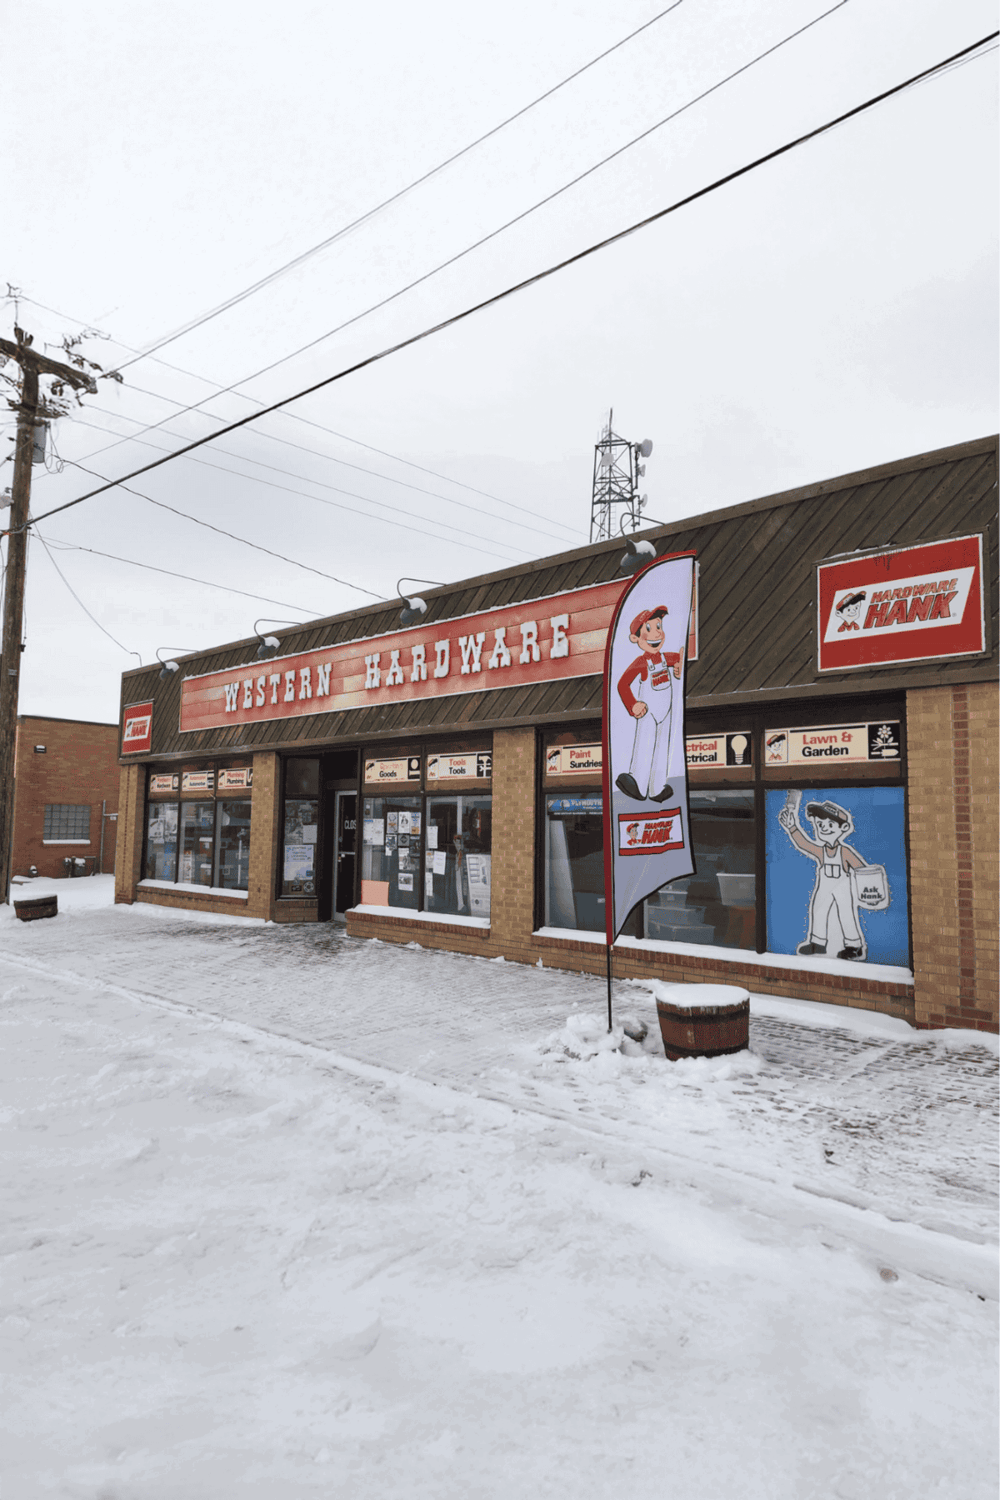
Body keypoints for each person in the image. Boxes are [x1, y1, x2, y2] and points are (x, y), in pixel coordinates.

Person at [778, 797, 867, 959]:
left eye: (830, 824)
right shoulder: (821, 851)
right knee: (818, 910)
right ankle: (818, 943)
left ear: (844, 827)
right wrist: (792, 828)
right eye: (820, 825)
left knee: (846, 914)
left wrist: (869, 885)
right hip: (824, 886)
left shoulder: (844, 852)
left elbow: (861, 869)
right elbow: (804, 844)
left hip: (842, 887)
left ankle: (854, 946)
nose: (824, 828)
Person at [615, 605, 682, 802]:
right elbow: (622, 684)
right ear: (635, 638)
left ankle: (657, 788)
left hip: (666, 712)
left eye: (659, 626)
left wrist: (679, 667)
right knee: (644, 745)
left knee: (662, 748)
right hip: (648, 712)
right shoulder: (641, 662)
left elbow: (679, 658)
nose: (657, 633)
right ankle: (637, 782)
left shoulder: (665, 658)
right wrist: (632, 704)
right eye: (649, 629)